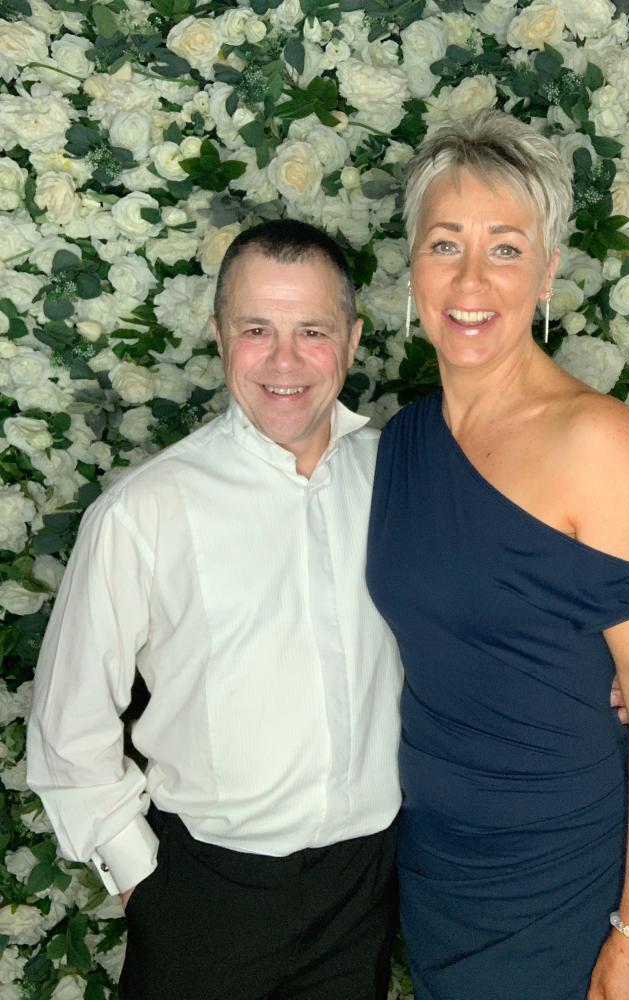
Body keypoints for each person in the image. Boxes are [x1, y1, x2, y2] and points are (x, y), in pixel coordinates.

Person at [366, 111, 629, 1000]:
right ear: (413, 265)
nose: (471, 279)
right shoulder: (400, 444)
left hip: (562, 877)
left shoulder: (598, 442)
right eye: (446, 244)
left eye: (506, 249)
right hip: (436, 866)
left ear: (548, 272)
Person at [26, 219, 403, 1000]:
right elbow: (69, 727)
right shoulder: (145, 510)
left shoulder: (401, 480)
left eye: (312, 331)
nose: (284, 361)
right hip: (204, 896)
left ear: (353, 340)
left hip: (364, 890)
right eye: (256, 329)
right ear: (219, 334)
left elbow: (478, 620)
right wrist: (146, 886)